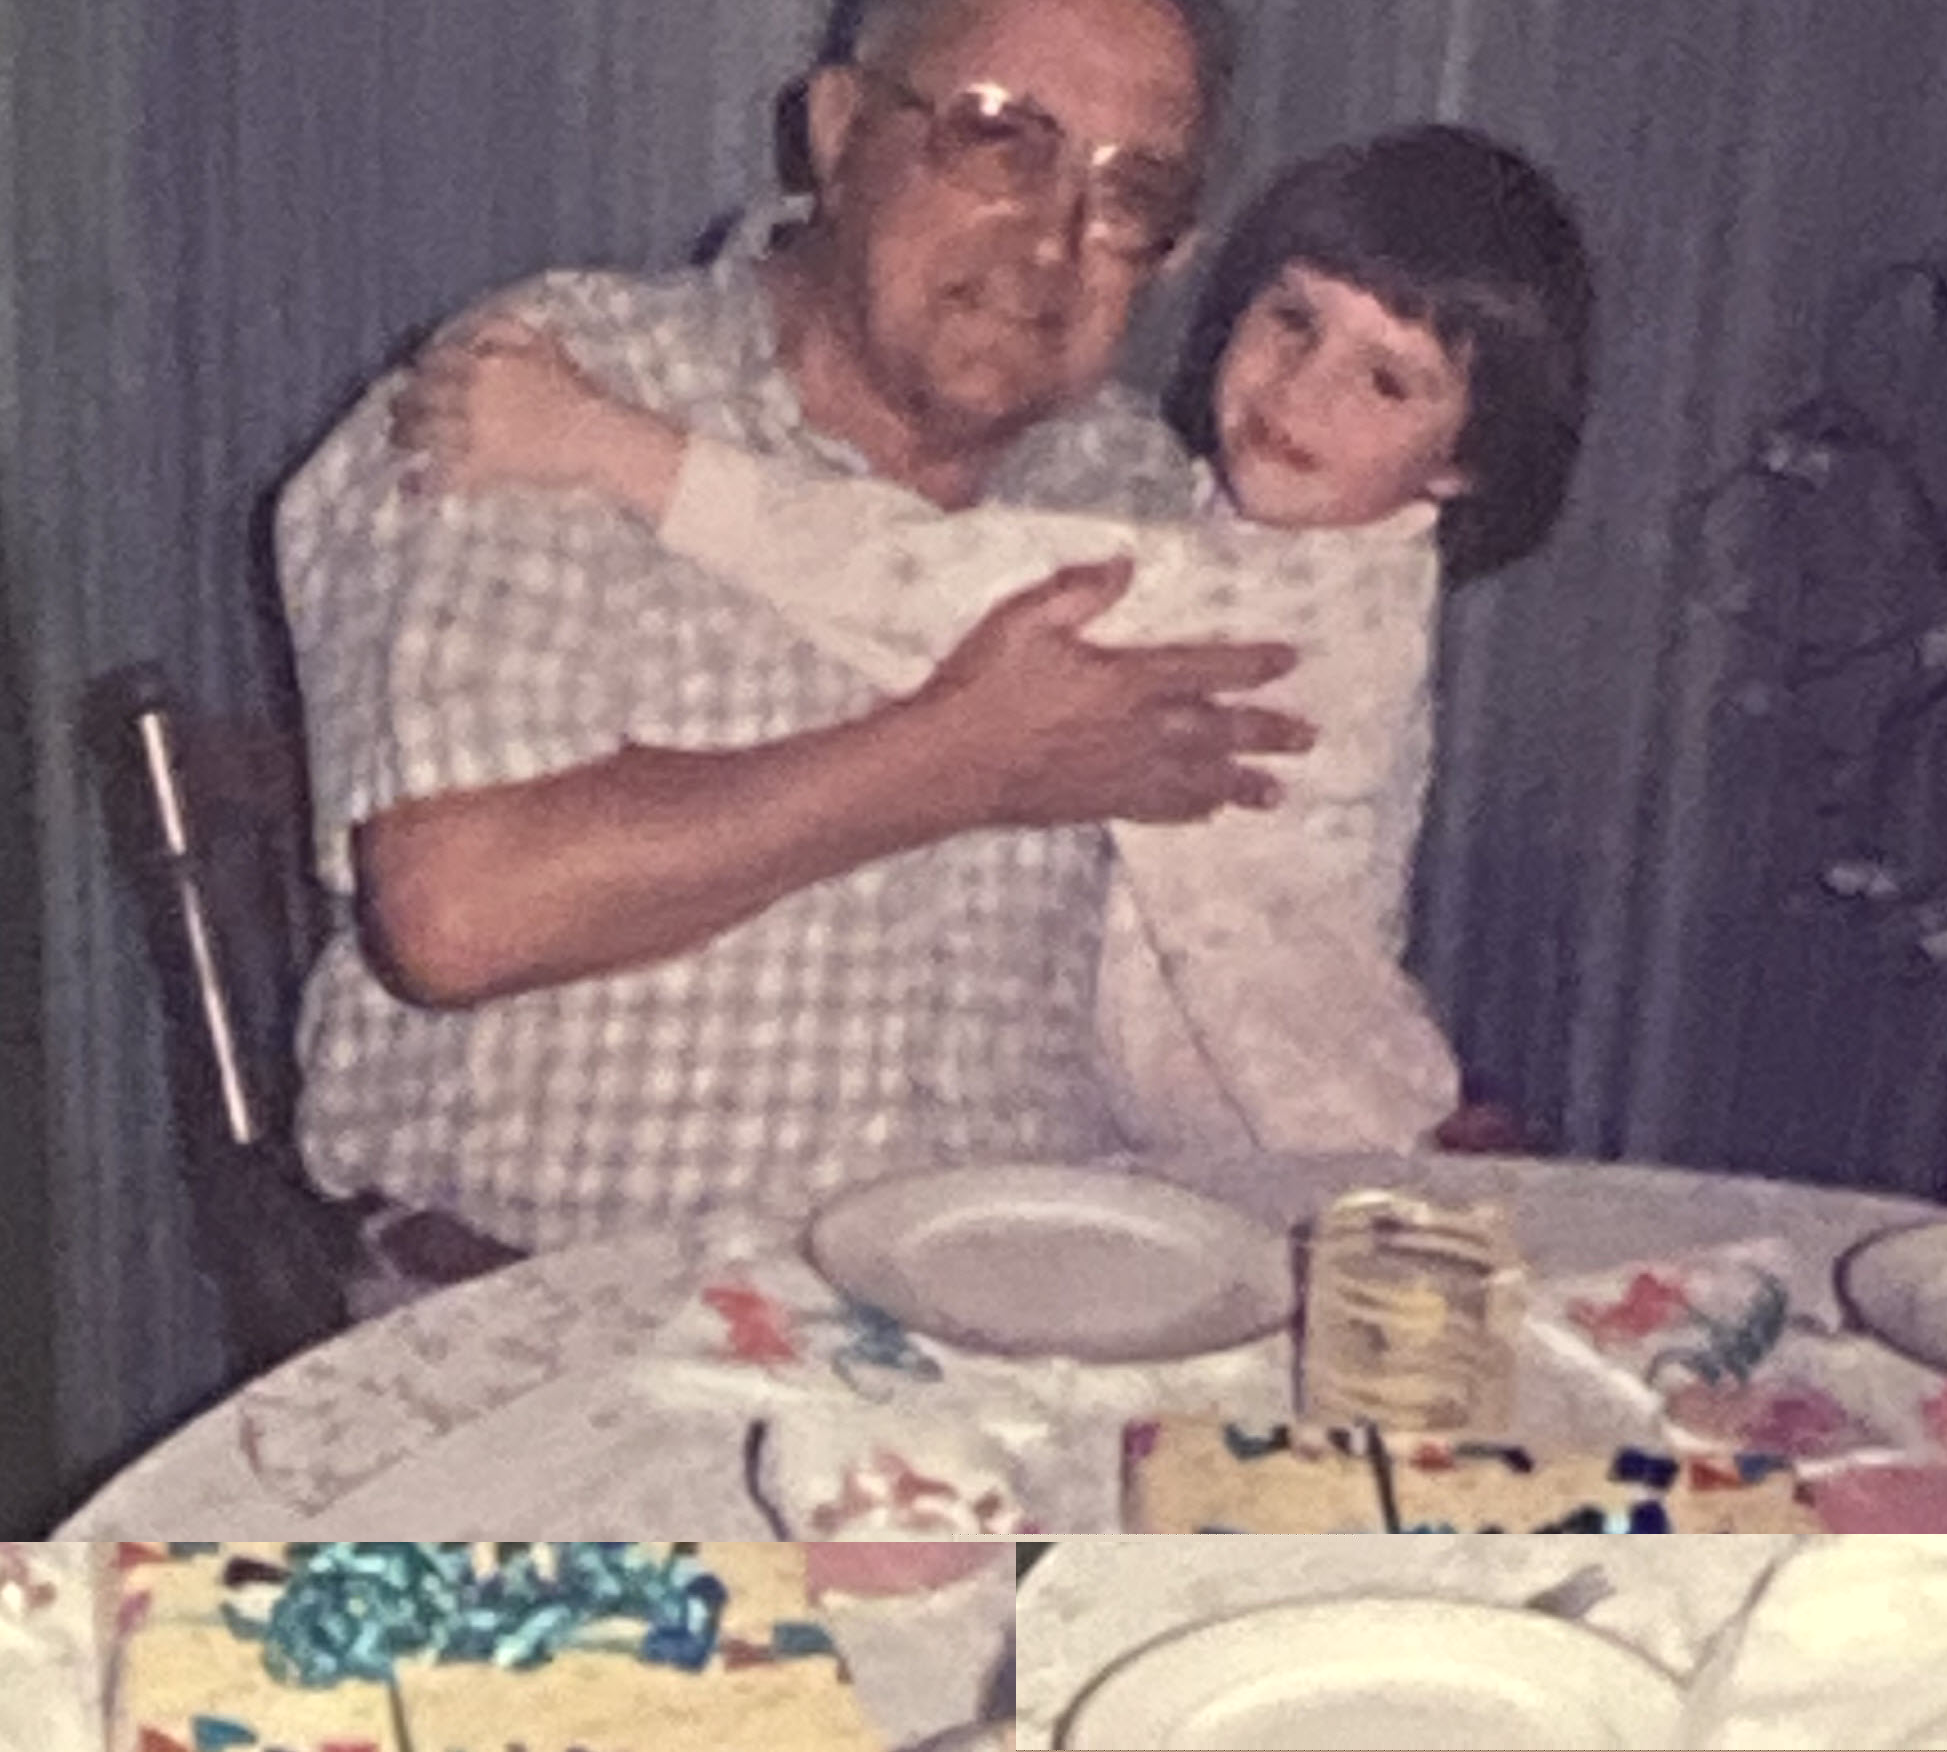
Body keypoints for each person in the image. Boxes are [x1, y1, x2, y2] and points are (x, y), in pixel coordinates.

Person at [275, 0, 1314, 1288]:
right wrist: (959, 758)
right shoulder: (558, 391)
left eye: (1130, 193)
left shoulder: (1137, 488)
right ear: (836, 134)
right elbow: (459, 911)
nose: (1054, 237)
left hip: (1021, 1321)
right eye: (999, 138)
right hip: (570, 1326)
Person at [392, 126, 1597, 1155]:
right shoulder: (1206, 514)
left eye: (1386, 382)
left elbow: (904, 575)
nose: (1301, 389)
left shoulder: (1284, 605)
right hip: (1187, 1156)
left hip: (1310, 1155)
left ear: (1460, 465)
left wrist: (602, 445)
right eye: (1291, 319)